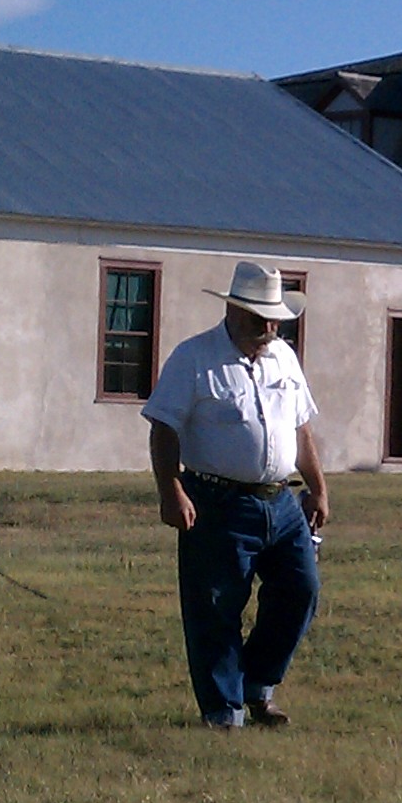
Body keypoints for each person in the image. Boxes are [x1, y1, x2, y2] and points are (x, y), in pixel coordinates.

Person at [140, 262, 329, 729]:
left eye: (274, 319)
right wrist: (171, 491)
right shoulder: (194, 358)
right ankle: (223, 711)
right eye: (257, 318)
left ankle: (257, 686)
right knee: (216, 606)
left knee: (300, 590)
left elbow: (301, 428)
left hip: (281, 502)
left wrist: (319, 488)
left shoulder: (284, 358)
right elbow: (164, 428)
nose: (267, 328)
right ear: (232, 310)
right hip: (217, 500)